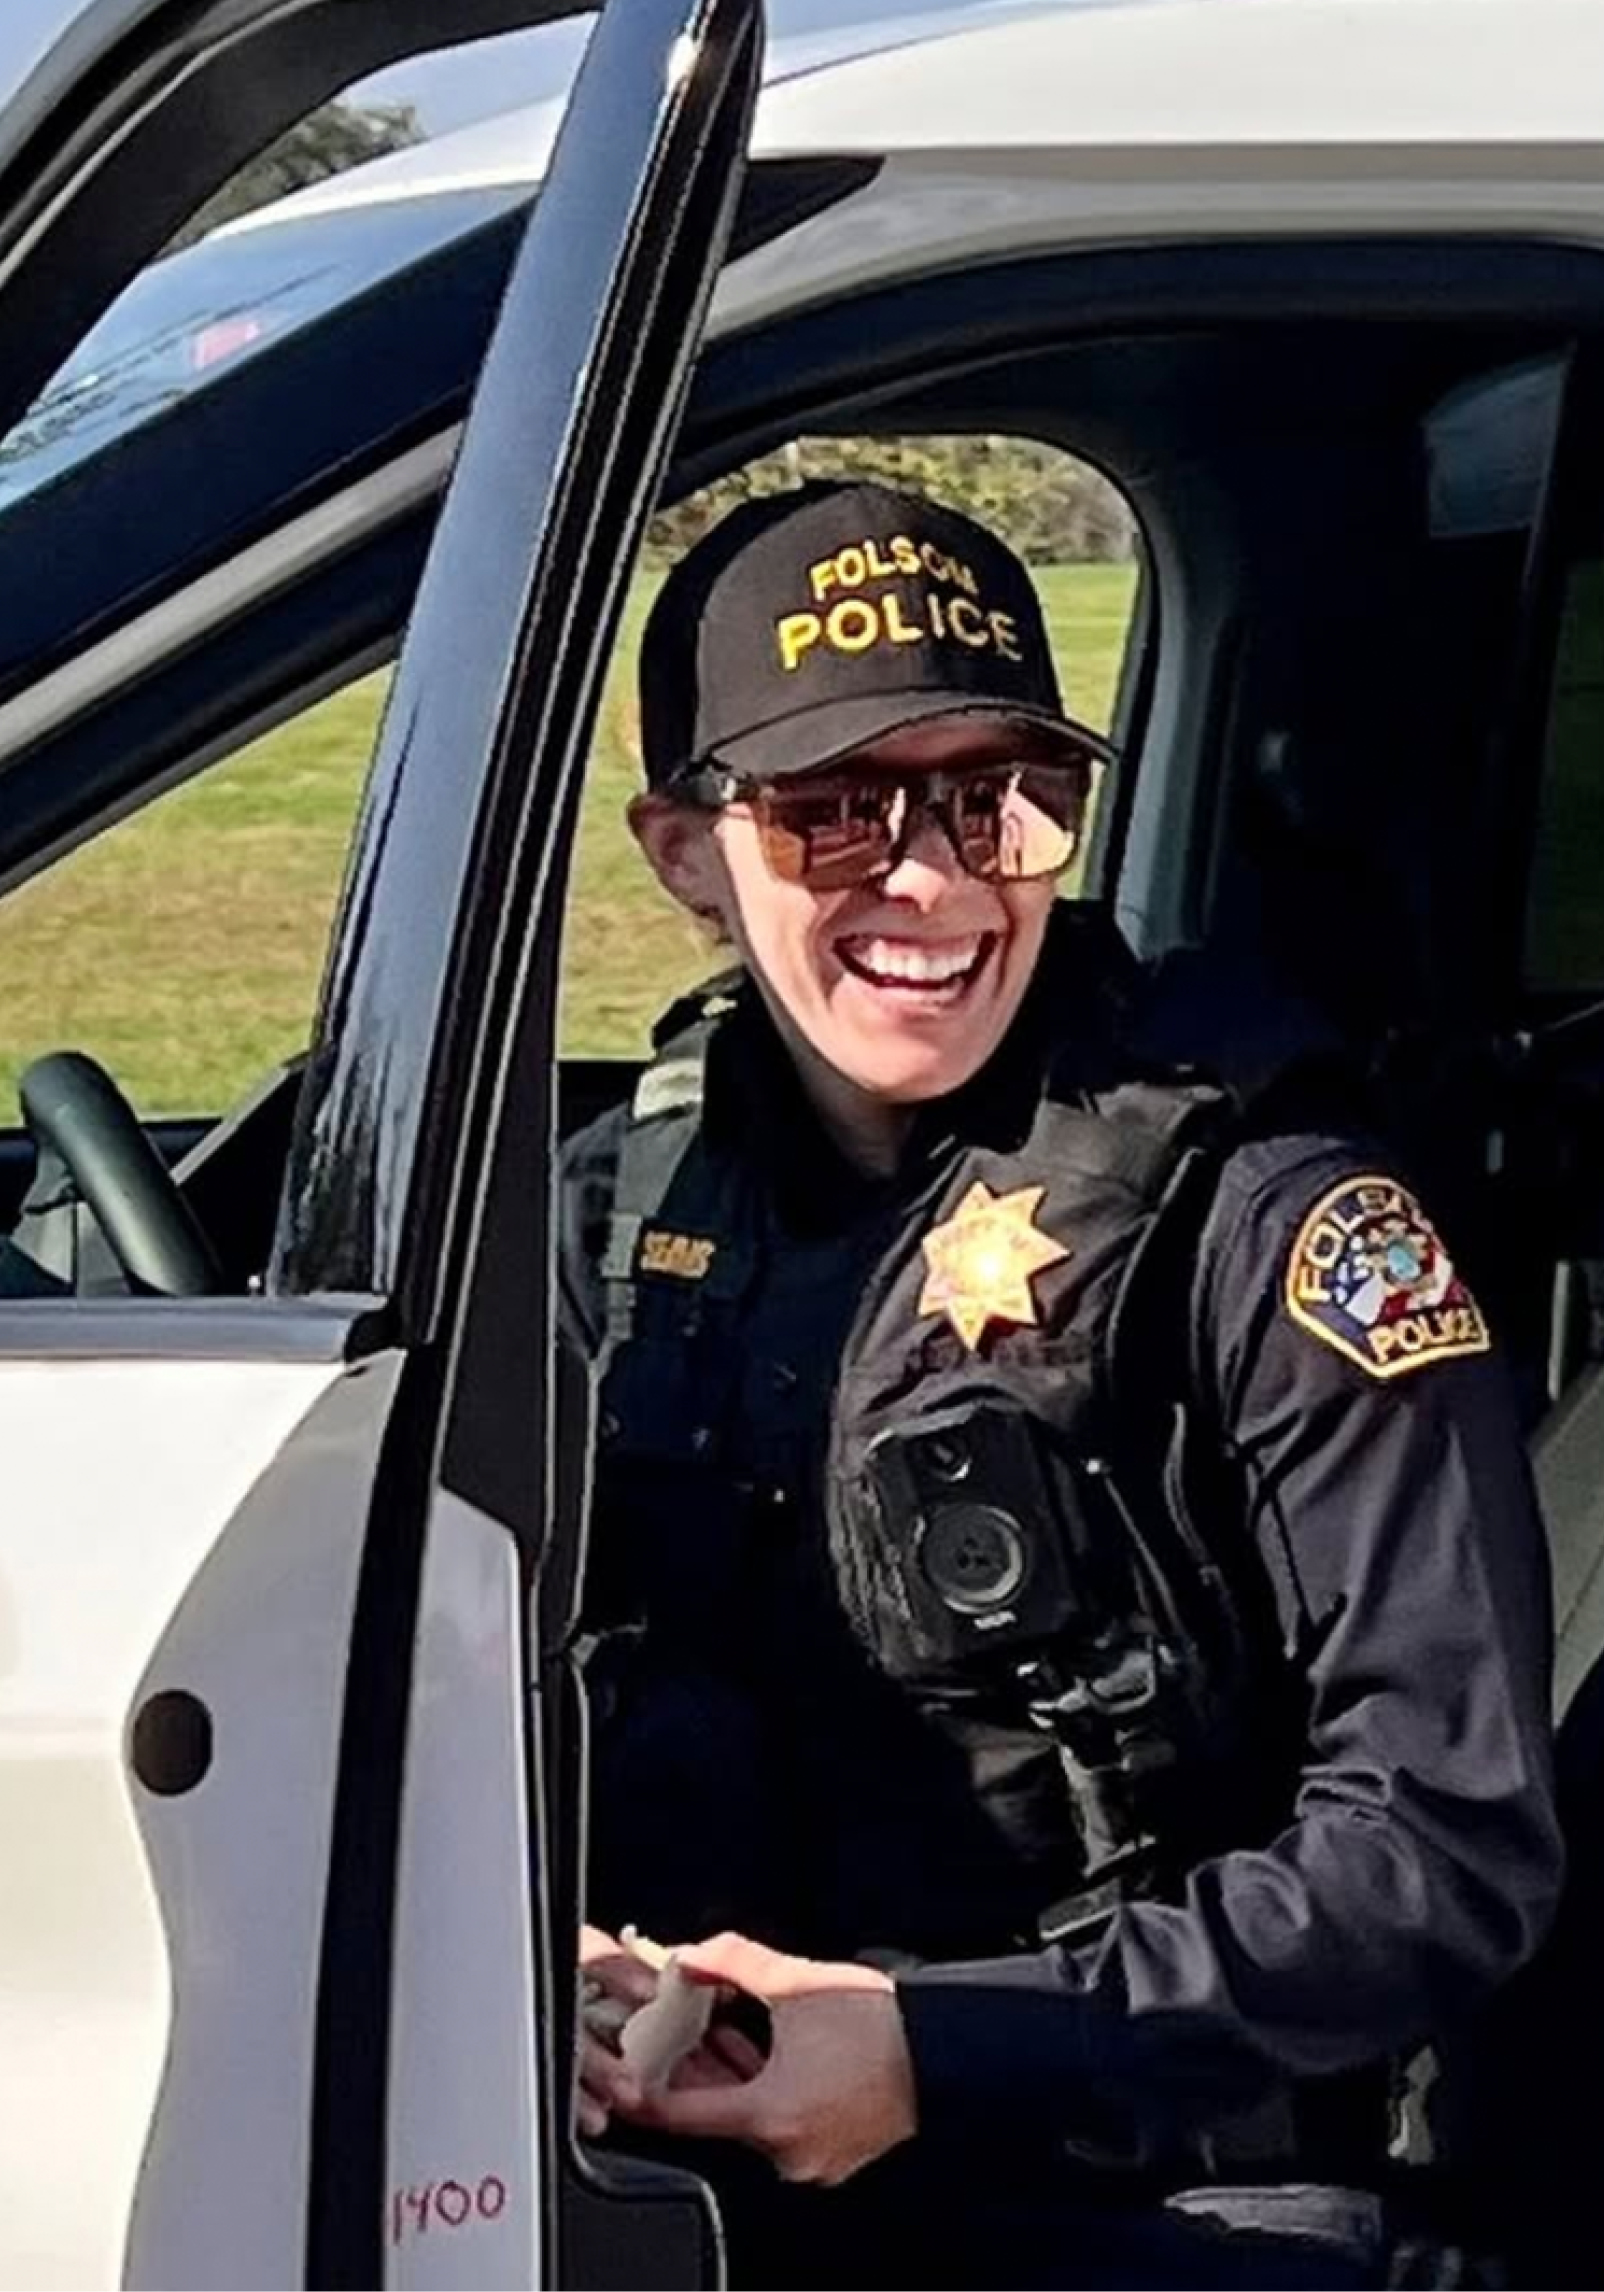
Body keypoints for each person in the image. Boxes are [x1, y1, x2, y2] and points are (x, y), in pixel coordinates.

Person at [558, 479, 1562, 2290]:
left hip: (1170, 2198)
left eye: (997, 802)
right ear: (687, 852)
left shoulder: (1273, 1224)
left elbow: (1444, 1849)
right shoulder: (629, 1220)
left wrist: (951, 2048)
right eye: (833, 814)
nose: (931, 878)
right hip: (708, 2154)